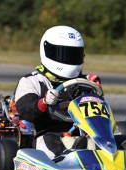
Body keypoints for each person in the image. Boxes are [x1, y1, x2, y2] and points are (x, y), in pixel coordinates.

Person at [14, 25, 103, 160]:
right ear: (48, 51)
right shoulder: (32, 81)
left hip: (86, 133)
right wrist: (44, 102)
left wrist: (96, 95)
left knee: (116, 141)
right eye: (63, 54)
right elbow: (25, 111)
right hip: (48, 133)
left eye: (73, 55)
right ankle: (66, 159)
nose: (68, 59)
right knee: (51, 145)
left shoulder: (86, 82)